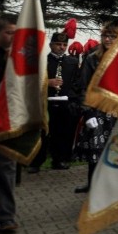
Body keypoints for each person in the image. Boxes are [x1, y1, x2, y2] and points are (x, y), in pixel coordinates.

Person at [73, 19, 118, 193]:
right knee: (95, 152)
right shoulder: (91, 59)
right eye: (105, 36)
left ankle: (116, 188)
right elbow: (83, 87)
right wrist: (88, 114)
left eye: (112, 36)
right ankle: (92, 185)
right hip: (98, 111)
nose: (108, 39)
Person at [28, 32, 81, 173]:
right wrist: (47, 83)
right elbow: (33, 81)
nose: (61, 47)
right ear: (51, 45)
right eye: (58, 44)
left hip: (64, 102)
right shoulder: (43, 61)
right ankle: (36, 162)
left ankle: (58, 160)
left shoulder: (73, 62)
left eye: (64, 45)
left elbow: (76, 83)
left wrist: (71, 98)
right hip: (46, 102)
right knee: (43, 134)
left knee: (61, 133)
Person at [0, 14, 18, 233]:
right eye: (9, 32)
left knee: (6, 168)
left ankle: (6, 216)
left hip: (7, 122)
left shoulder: (18, 59)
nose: (12, 37)